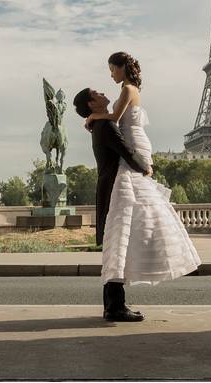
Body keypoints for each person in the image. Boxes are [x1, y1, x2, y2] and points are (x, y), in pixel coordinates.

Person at [85, 52, 201, 303]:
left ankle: (117, 291)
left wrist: (94, 116)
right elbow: (116, 125)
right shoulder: (127, 90)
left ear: (122, 68)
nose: (111, 74)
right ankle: (117, 294)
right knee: (132, 209)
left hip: (133, 145)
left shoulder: (127, 89)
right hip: (132, 145)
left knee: (127, 210)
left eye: (112, 69)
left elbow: (115, 119)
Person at [72, 86, 150, 322]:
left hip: (108, 187)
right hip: (115, 188)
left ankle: (113, 305)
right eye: (96, 93)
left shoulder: (99, 123)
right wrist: (145, 167)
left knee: (115, 248)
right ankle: (115, 307)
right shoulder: (105, 125)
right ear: (92, 104)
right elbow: (125, 150)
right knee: (117, 248)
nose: (103, 92)